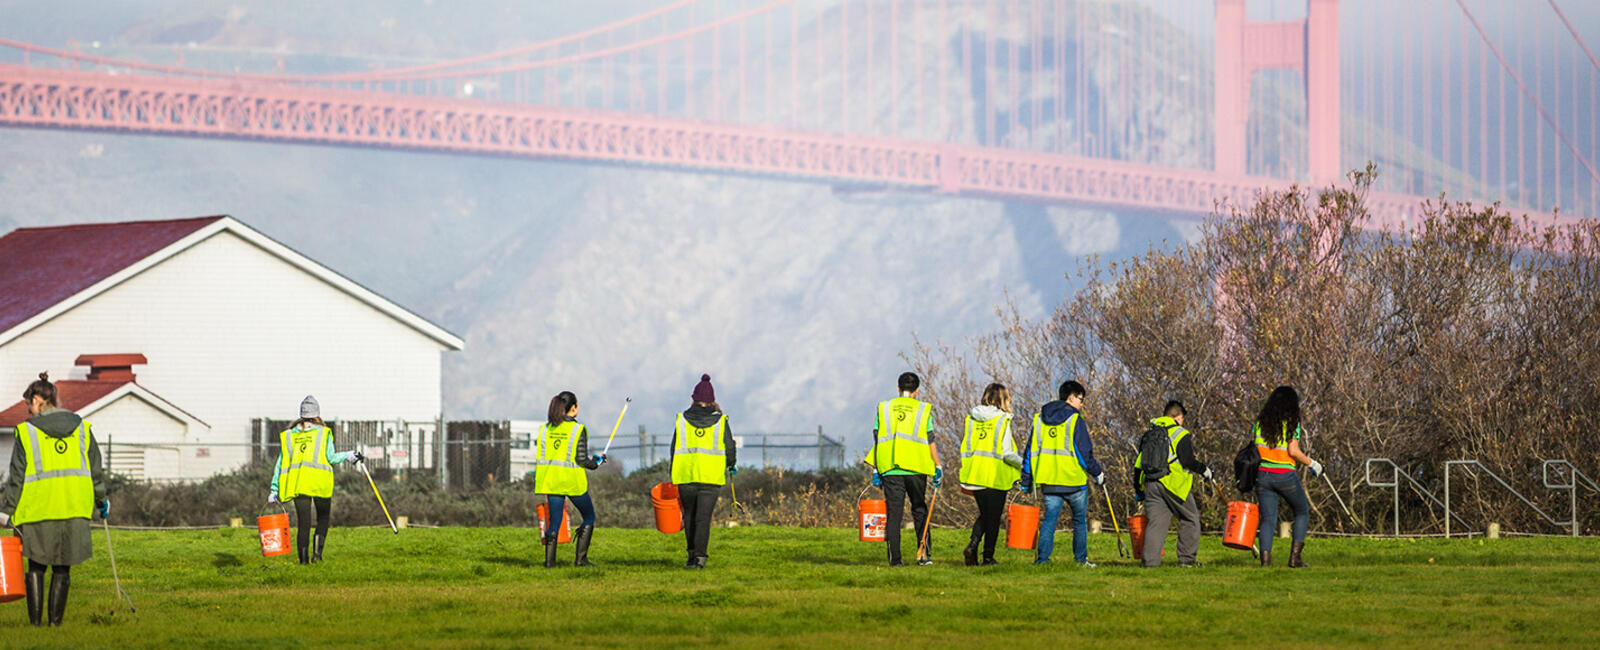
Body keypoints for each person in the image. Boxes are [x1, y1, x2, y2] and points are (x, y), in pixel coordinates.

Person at [0, 373, 107, 627]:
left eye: (29, 405)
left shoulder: (26, 432)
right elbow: (95, 470)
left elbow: (17, 476)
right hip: (74, 509)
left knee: (37, 567)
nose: (29, 412)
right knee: (63, 568)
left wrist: (6, 511)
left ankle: (36, 626)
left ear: (37, 400)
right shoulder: (82, 428)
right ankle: (55, 625)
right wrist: (101, 500)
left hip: (38, 510)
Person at [267, 396, 362, 565]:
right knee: (323, 518)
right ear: (317, 414)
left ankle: (303, 562)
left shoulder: (289, 435)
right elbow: (331, 458)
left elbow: (280, 464)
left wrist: (274, 489)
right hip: (319, 482)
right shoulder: (323, 433)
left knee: (303, 523)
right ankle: (317, 556)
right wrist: (348, 455)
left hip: (298, 484)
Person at [1020, 380, 1104, 566]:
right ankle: (1081, 561)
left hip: (1049, 481)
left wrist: (1026, 480)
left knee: (1049, 521)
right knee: (1079, 522)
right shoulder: (1075, 420)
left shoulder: (1039, 419)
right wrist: (1097, 473)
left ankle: (1042, 560)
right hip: (1074, 481)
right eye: (1081, 400)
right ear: (1071, 397)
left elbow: (1029, 452)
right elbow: (1084, 453)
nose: (1082, 404)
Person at [864, 372, 944, 566]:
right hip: (916, 467)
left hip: (890, 468)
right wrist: (938, 465)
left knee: (894, 514)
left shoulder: (884, 408)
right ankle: (924, 556)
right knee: (919, 510)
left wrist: (876, 469)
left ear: (898, 389)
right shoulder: (923, 409)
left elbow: (878, 441)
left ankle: (895, 560)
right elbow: (930, 440)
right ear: (917, 390)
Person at [1133, 400, 1212, 568]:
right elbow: (1188, 460)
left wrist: (1139, 489)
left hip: (1151, 484)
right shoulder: (1180, 433)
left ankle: (1150, 563)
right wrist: (1204, 470)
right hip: (1173, 485)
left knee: (1156, 525)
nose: (1183, 421)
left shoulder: (1149, 435)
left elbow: (1139, 465)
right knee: (1190, 519)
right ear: (1177, 417)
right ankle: (1187, 560)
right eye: (1183, 418)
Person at [670, 374, 737, 569]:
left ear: (694, 399)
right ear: (712, 401)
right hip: (711, 477)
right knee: (703, 519)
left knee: (689, 516)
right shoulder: (721, 421)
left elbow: (674, 448)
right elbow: (729, 448)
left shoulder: (682, 420)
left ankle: (691, 556)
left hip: (685, 476)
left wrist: (671, 472)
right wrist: (731, 464)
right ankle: (700, 559)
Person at [1253, 386, 1323, 568]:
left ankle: (1265, 562)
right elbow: (1293, 451)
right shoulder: (1292, 423)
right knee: (1301, 511)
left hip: (1262, 475)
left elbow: (1255, 447)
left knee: (1268, 518)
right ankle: (1295, 558)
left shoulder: (1260, 422)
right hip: (1284, 475)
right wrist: (1311, 463)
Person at [536, 391, 605, 568]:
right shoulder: (578, 429)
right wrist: (596, 463)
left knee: (555, 522)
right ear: (573, 408)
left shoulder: (545, 429)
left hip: (551, 482)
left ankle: (549, 563)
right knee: (589, 516)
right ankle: (581, 560)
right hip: (573, 483)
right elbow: (581, 459)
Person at [958, 383, 1023, 566]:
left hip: (975, 474)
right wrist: (1025, 465)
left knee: (985, 515)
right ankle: (988, 557)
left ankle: (973, 545)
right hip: (995, 476)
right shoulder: (1002, 420)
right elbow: (1007, 453)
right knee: (993, 519)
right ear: (1003, 399)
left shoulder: (971, 419)